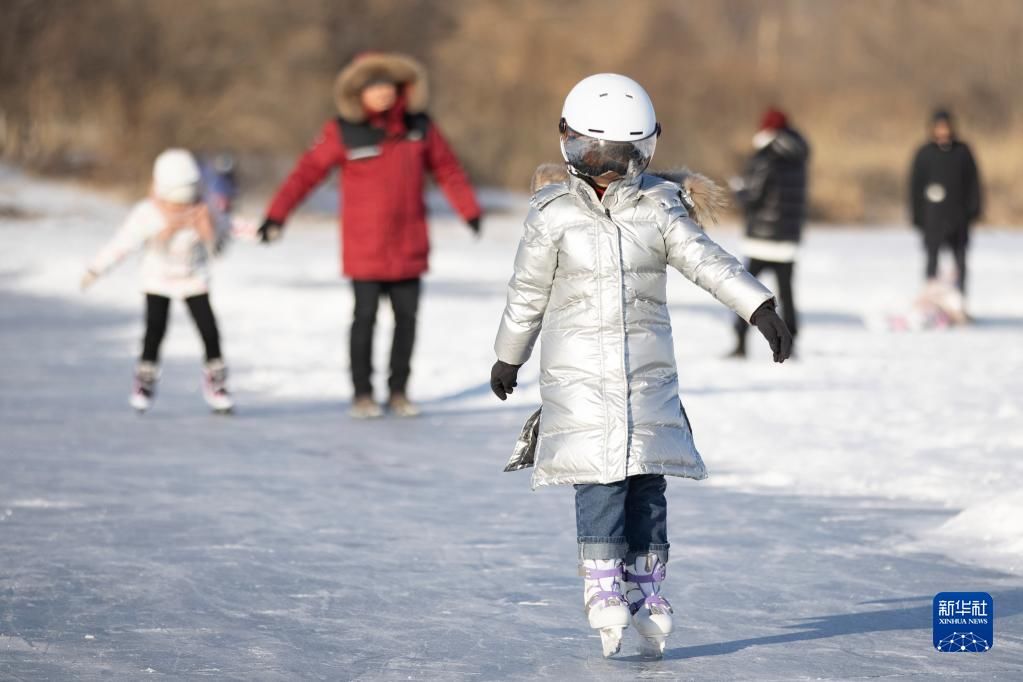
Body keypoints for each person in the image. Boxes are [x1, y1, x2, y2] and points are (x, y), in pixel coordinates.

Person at [489, 74, 792, 659]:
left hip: (646, 377)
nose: (603, 169)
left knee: (648, 479)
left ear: (645, 151)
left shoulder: (659, 208)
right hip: (577, 379)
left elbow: (708, 261)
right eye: (590, 153)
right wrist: (509, 355)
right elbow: (526, 291)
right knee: (600, 475)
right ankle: (602, 575)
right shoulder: (552, 215)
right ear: (567, 143)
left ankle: (647, 580)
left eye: (619, 157)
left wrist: (759, 305)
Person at [258, 52, 481, 418]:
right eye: (373, 87)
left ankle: (399, 392)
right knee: (364, 318)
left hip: (409, 243)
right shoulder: (343, 131)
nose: (382, 94)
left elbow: (448, 169)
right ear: (358, 92)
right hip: (366, 245)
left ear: (400, 89)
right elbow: (306, 174)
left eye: (388, 86)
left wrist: (469, 210)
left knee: (406, 320)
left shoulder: (419, 127)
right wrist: (276, 216)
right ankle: (362, 393)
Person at [81, 149, 233, 413]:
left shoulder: (205, 209)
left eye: (185, 202)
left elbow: (225, 237)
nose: (181, 209)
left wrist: (212, 234)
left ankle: (217, 382)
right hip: (158, 278)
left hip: (193, 277)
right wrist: (96, 269)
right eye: (176, 204)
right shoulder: (148, 212)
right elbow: (123, 242)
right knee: (155, 329)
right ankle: (145, 379)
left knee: (209, 330)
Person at [728, 107, 809, 358]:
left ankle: (741, 343)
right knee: (787, 293)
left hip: (762, 239)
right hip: (787, 238)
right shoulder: (799, 155)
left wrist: (738, 190)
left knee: (746, 291)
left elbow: (753, 197)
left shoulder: (766, 157)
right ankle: (791, 343)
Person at [909, 109, 982, 294]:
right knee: (932, 257)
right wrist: (917, 215)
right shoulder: (924, 153)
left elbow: (973, 182)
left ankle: (959, 297)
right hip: (933, 216)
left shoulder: (962, 152)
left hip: (958, 215)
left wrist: (974, 209)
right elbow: (915, 186)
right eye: (939, 127)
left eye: (946, 127)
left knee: (960, 258)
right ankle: (931, 296)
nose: (943, 131)